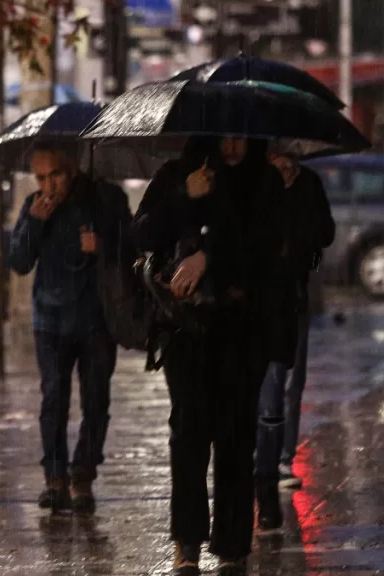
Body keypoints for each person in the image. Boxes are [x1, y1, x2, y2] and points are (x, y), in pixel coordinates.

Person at [132, 136, 285, 576]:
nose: (233, 146)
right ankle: (187, 541)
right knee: (189, 432)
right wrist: (185, 196)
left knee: (236, 435)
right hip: (185, 328)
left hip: (241, 326)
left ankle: (233, 542)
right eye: (225, 136)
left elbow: (266, 250)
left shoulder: (263, 181)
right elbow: (142, 233)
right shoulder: (177, 175)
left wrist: (209, 259)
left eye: (242, 135)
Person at [7, 144, 130, 513]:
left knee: (95, 400)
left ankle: (83, 473)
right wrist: (34, 222)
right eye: (41, 178)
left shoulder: (105, 198)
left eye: (55, 175)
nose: (48, 186)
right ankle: (55, 478)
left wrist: (103, 245)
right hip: (51, 320)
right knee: (53, 398)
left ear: (72, 167)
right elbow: (18, 261)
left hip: (96, 318)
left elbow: (135, 245)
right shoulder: (35, 206)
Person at [255, 151, 335, 529]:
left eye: (288, 156)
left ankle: (282, 457)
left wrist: (301, 242)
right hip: (259, 298)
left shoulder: (308, 185)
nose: (283, 162)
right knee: (266, 384)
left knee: (291, 381)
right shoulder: (255, 184)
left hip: (295, 295)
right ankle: (264, 461)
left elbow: (325, 234)